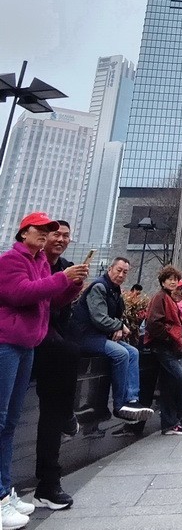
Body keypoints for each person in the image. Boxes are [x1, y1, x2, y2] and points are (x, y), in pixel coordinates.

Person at [0, 212, 88, 527]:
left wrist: (73, 287)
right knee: (2, 420)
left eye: (59, 232)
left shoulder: (40, 264)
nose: (53, 236)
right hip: (10, 343)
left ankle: (7, 492)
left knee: (9, 422)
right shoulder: (13, 260)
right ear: (24, 233)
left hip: (27, 345)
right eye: (45, 231)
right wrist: (63, 279)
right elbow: (21, 294)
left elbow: (50, 303)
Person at [33, 220, 83, 511]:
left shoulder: (65, 265)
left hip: (51, 337)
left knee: (52, 411)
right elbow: (28, 296)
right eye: (55, 234)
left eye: (66, 235)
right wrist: (62, 280)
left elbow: (56, 307)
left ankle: (48, 483)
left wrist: (73, 288)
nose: (61, 239)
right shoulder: (30, 263)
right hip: (30, 340)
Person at [70, 257, 153, 422]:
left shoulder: (115, 291)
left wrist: (117, 327)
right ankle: (120, 405)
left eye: (125, 272)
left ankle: (132, 399)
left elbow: (114, 317)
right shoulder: (100, 287)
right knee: (121, 353)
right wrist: (119, 326)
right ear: (110, 269)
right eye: (119, 270)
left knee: (134, 352)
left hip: (100, 335)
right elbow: (99, 318)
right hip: (85, 336)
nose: (121, 274)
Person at [144, 266, 182, 435]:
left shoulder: (168, 298)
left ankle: (170, 424)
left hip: (169, 346)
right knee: (179, 380)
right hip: (163, 347)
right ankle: (173, 421)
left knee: (169, 385)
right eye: (169, 279)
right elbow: (153, 323)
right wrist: (169, 337)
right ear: (162, 281)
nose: (172, 281)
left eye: (175, 279)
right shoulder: (160, 298)